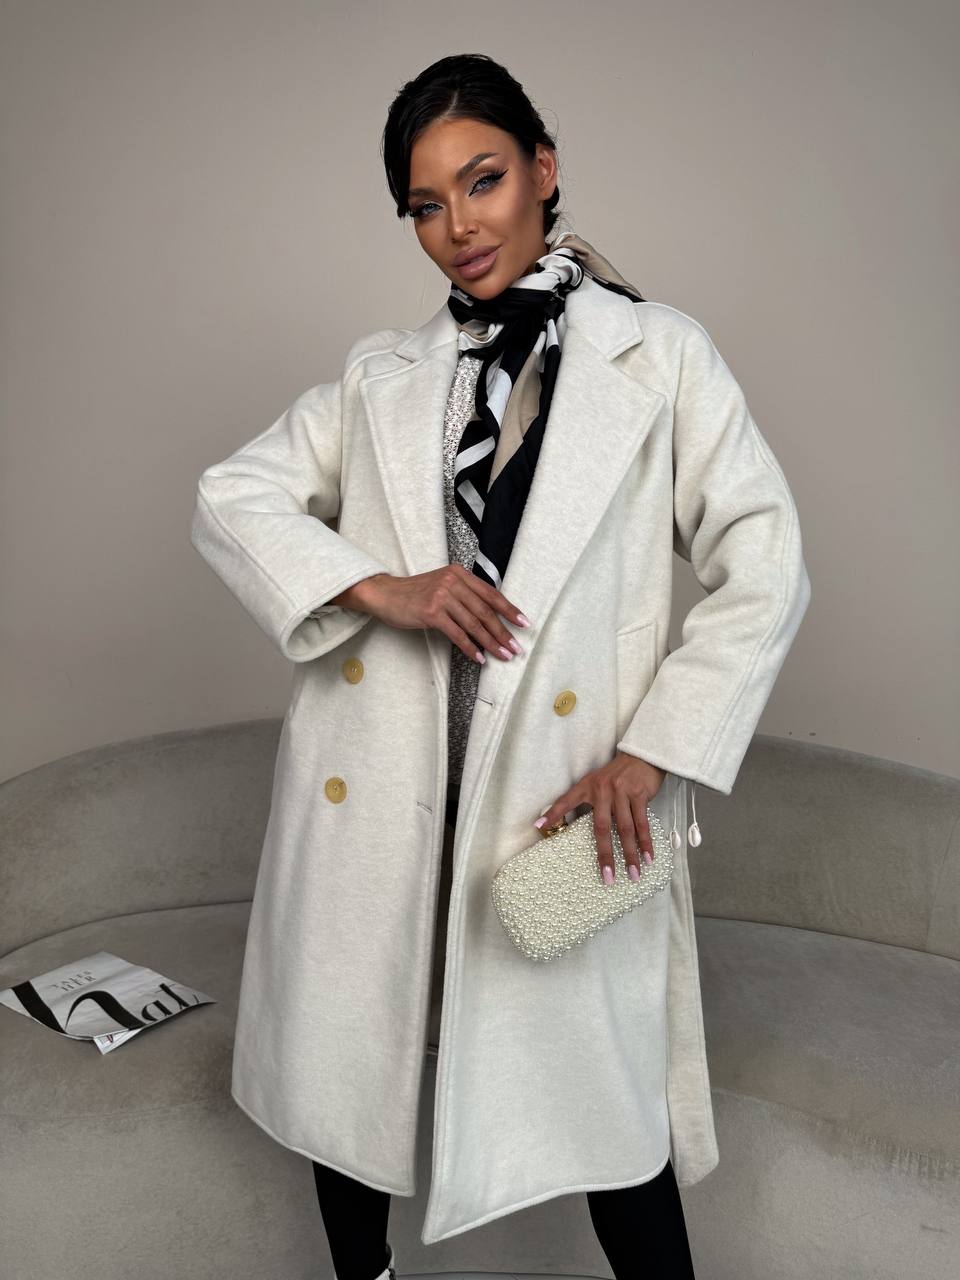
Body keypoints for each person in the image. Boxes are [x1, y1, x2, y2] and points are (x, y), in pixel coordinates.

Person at [191, 52, 810, 1280]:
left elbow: (768, 559)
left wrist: (654, 751)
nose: (459, 226)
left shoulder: (659, 354)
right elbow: (230, 495)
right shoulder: (383, 374)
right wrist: (381, 586)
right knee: (350, 1084)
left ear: (544, 169)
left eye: (482, 181)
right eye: (425, 205)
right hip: (382, 789)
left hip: (556, 795)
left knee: (605, 1103)